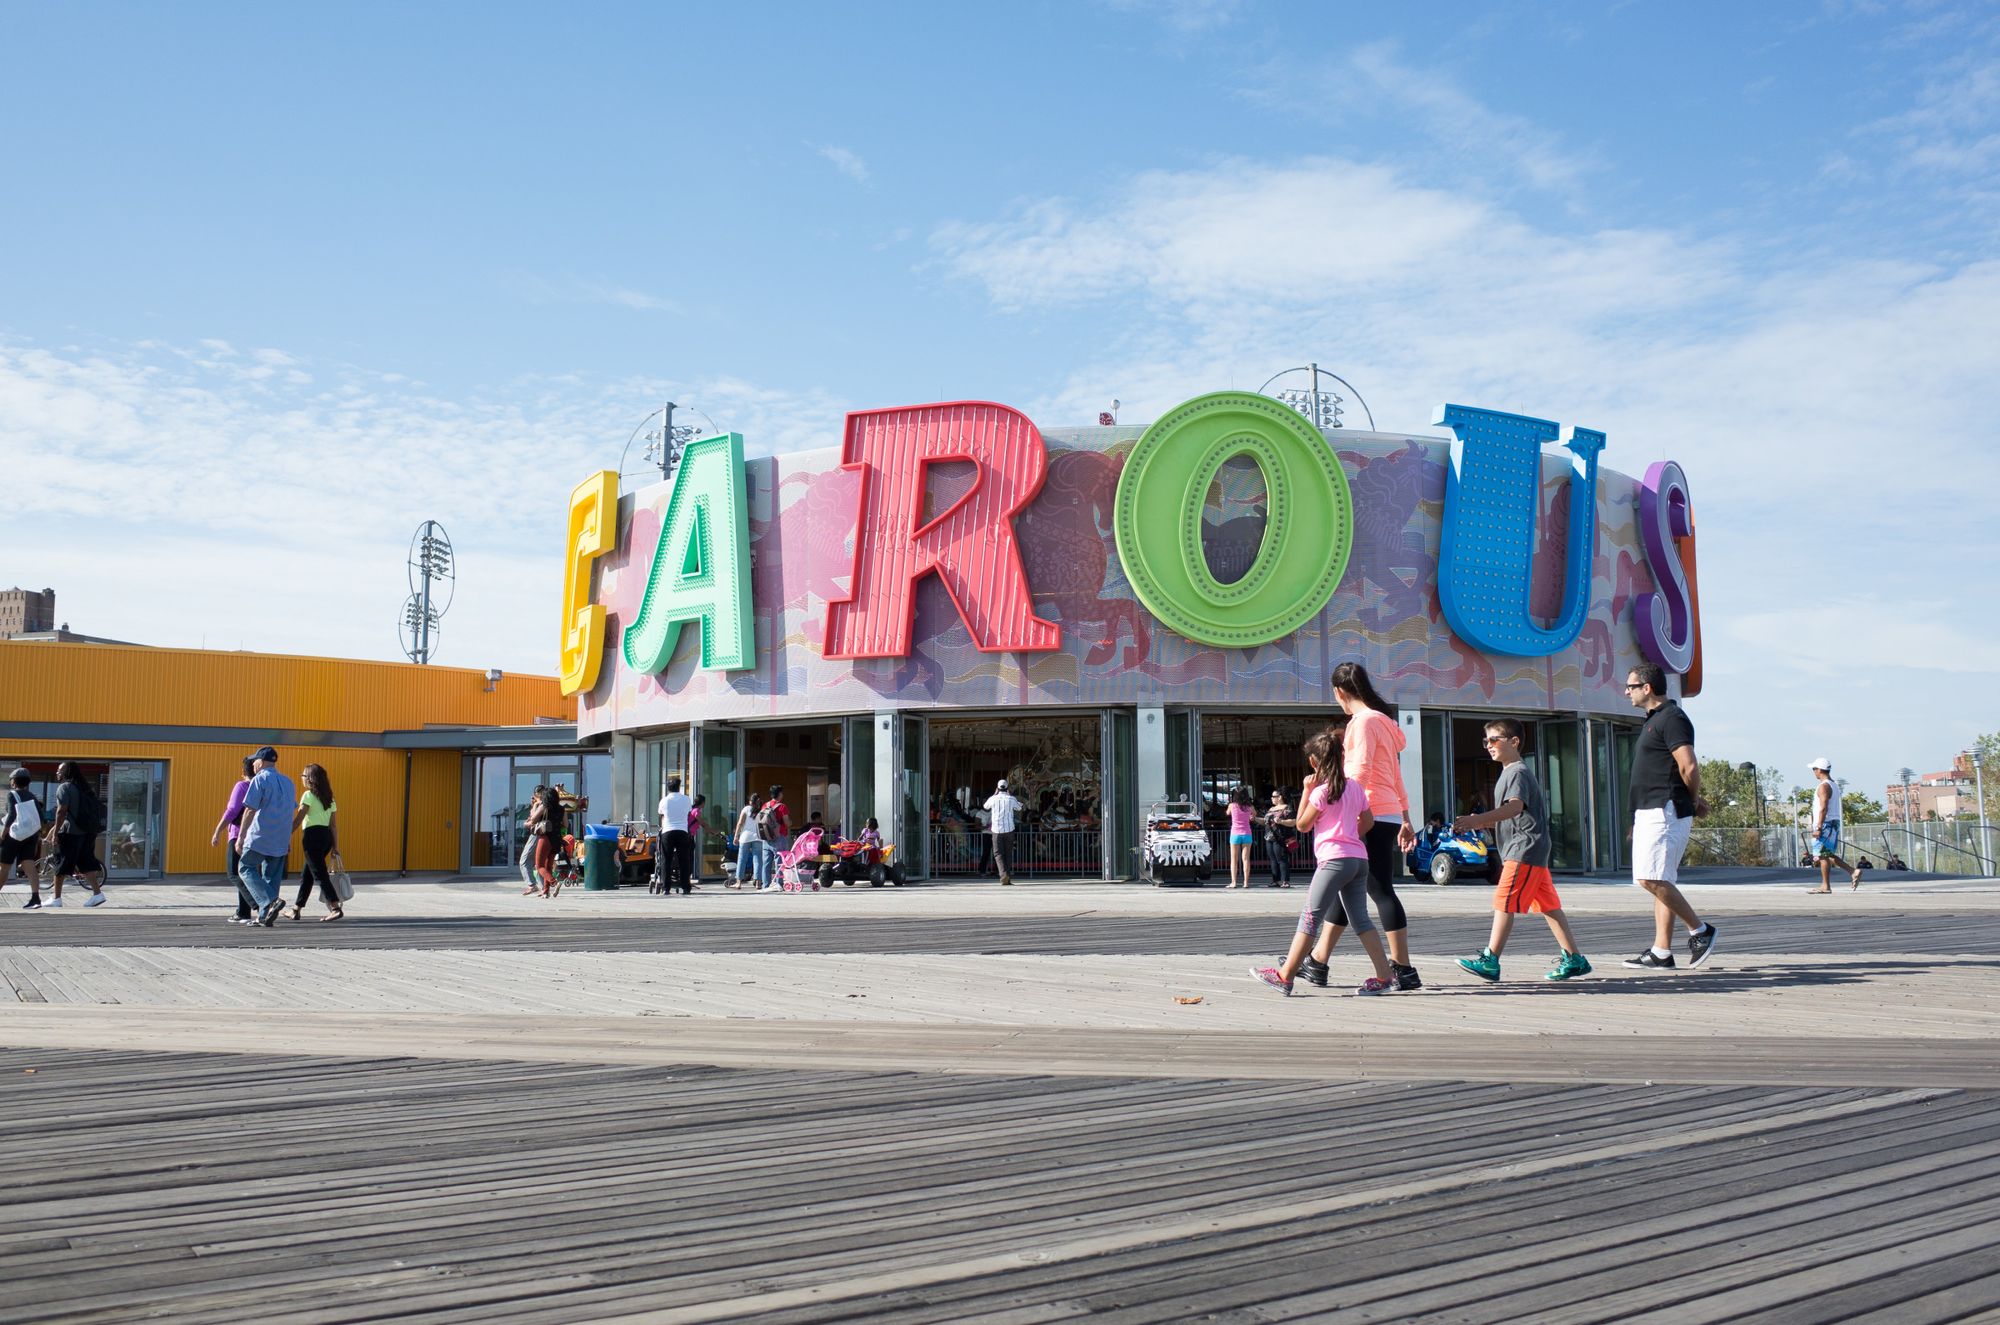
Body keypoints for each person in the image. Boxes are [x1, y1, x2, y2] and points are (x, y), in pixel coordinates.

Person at [1301, 662, 1423, 991]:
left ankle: (1403, 969)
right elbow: (1395, 776)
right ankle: (1318, 962)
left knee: (1379, 888)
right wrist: (1406, 816)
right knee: (1351, 886)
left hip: (1367, 813)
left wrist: (1345, 806)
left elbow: (1362, 770)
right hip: (1388, 813)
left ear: (1339, 692)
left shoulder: (1362, 722)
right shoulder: (1384, 721)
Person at [1250, 723, 1396, 996]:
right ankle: (1385, 976)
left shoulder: (1320, 792)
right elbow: (1368, 821)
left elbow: (1303, 825)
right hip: (1357, 859)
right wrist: (1350, 834)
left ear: (1314, 762)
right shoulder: (1354, 788)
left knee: (1310, 918)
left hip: (1333, 861)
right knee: (1361, 920)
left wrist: (1306, 790)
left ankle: (1285, 975)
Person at [1452, 719, 1591, 982]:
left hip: (1525, 848)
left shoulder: (1516, 772)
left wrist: (1477, 820)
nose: (1488, 745)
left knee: (1504, 901)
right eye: (1486, 741)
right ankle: (1574, 959)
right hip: (1530, 848)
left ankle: (1490, 960)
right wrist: (1481, 822)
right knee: (1549, 906)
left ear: (1514, 742)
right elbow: (1514, 814)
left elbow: (1515, 807)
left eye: (1494, 740)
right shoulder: (1510, 772)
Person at [1620, 664, 1720, 969]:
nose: (1627, 692)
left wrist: (1689, 801)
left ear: (1647, 687)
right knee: (1660, 877)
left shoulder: (1672, 718)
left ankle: (1701, 931)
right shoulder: (1655, 720)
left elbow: (1688, 766)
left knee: (1650, 877)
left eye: (1631, 686)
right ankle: (1661, 951)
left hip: (1665, 809)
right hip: (1652, 809)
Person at [235, 747, 296, 926]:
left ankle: (270, 901)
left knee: (245, 868)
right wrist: (287, 837)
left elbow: (250, 809)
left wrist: (241, 836)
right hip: (280, 837)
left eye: (254, 761)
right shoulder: (288, 782)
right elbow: (289, 810)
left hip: (260, 835)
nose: (253, 764)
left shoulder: (259, 779)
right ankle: (264, 916)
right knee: (272, 876)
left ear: (260, 762)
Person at [42, 761, 109, 908]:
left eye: (60, 770)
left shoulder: (65, 787)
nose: (57, 772)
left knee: (61, 864)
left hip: (70, 832)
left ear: (66, 772)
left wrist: (55, 833)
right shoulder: (84, 789)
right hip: (88, 832)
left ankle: (56, 899)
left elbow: (61, 811)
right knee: (86, 863)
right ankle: (97, 894)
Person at [287, 762, 343, 921]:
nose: (302, 778)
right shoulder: (329, 798)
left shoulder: (308, 795)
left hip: (312, 837)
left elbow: (298, 820)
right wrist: (335, 847)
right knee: (308, 875)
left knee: (319, 874)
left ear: (311, 779)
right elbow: (333, 826)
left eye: (303, 775)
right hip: (326, 838)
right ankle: (296, 909)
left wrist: (284, 836)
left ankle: (335, 906)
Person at [209, 756, 259, 922]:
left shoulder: (242, 786)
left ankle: (259, 903)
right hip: (257, 836)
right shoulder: (261, 787)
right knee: (247, 871)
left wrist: (217, 831)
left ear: (243, 771)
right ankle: (243, 912)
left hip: (238, 834)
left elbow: (232, 810)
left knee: (234, 873)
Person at [1804, 758, 1865, 893]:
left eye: (1814, 769)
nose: (1814, 772)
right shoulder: (1834, 785)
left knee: (1822, 855)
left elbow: (1823, 807)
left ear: (1819, 770)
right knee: (1827, 853)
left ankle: (1825, 886)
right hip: (1832, 823)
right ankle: (1853, 872)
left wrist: (1818, 827)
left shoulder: (1824, 786)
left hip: (1826, 823)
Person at [3, 768, 47, 909]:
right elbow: (41, 818)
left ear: (14, 782)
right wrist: (38, 835)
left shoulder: (12, 794)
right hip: (31, 836)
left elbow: (11, 816)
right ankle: (35, 898)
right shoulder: (32, 796)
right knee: (29, 865)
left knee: (4, 867)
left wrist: (3, 834)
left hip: (14, 836)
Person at [656, 775, 693, 895]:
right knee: (684, 859)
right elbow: (688, 813)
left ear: (668, 788)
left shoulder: (664, 800)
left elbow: (661, 815)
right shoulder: (686, 799)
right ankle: (686, 887)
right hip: (682, 830)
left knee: (666, 859)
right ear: (679, 787)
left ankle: (666, 887)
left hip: (667, 831)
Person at [984, 778, 1022, 885]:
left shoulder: (993, 798)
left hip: (996, 830)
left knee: (998, 854)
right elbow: (1019, 808)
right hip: (1009, 829)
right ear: (1007, 788)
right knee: (1008, 853)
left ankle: (1003, 875)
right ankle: (1007, 876)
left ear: (997, 788)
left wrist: (994, 794)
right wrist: (1011, 797)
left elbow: (985, 806)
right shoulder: (1011, 799)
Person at [1262, 788, 1296, 889]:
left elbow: (1293, 822)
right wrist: (1254, 819)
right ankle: (1275, 880)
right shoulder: (1271, 809)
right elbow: (1264, 821)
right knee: (1273, 859)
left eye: (1274, 796)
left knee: (1281, 859)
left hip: (1281, 838)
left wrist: (1281, 821)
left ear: (1280, 797)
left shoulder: (1287, 808)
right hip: (1269, 837)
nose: (1272, 798)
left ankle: (1285, 880)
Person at [1224, 786, 1256, 889]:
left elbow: (1227, 813)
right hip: (1247, 833)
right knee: (1246, 859)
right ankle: (1246, 883)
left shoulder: (1232, 806)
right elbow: (1254, 815)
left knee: (1234, 859)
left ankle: (1233, 882)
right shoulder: (1250, 807)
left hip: (1235, 834)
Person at [517, 784, 547, 893]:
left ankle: (532, 885)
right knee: (538, 863)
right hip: (544, 836)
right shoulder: (546, 804)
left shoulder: (541, 805)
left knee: (524, 861)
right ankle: (543, 887)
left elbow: (533, 820)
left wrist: (534, 806)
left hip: (536, 834)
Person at [731, 792, 764, 890]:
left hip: (745, 837)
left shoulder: (746, 809)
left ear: (750, 801)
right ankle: (758, 883)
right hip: (758, 837)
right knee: (758, 860)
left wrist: (736, 836)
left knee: (742, 859)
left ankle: (739, 883)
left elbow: (740, 823)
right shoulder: (761, 811)